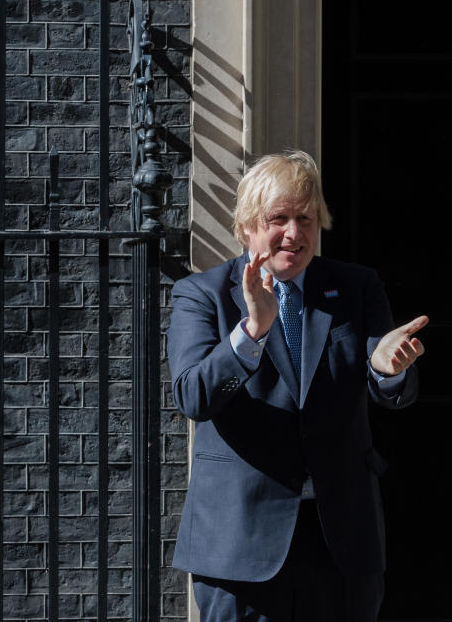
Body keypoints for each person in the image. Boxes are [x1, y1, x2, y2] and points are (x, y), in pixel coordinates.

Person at [167, 150, 426, 621]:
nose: (294, 233)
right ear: (247, 225)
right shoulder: (201, 294)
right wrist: (251, 333)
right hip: (240, 543)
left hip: (339, 538)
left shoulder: (356, 287)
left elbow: (388, 387)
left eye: (306, 218)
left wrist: (390, 372)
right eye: (279, 218)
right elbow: (193, 396)